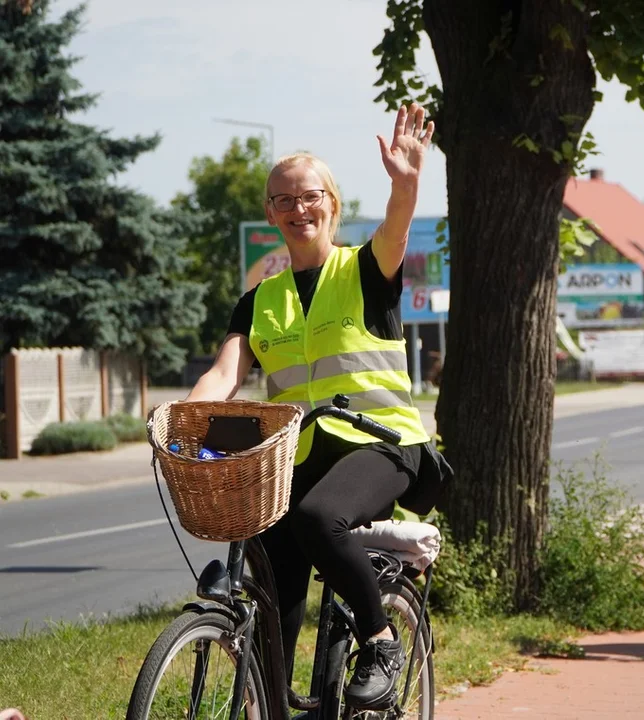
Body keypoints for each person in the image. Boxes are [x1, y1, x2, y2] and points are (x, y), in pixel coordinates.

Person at [185, 104, 452, 710]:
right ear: (269, 213)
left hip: (382, 442)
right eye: (283, 200)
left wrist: (406, 182)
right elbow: (225, 373)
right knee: (272, 580)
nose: (297, 208)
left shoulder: (365, 268)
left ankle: (380, 638)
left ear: (331, 203)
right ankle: (273, 702)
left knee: (316, 518)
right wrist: (185, 416)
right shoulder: (259, 300)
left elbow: (398, 225)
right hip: (297, 451)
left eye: (309, 196)